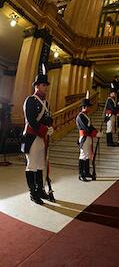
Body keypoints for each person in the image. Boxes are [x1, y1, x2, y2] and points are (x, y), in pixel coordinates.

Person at [21, 66, 54, 204]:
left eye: (46, 85)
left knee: (41, 164)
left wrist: (51, 127)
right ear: (36, 86)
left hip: (42, 138)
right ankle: (33, 193)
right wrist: (44, 130)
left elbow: (48, 118)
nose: (45, 87)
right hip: (32, 136)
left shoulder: (46, 103)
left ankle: (40, 190)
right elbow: (31, 120)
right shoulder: (30, 100)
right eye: (42, 85)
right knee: (32, 165)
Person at [76, 91, 103, 182]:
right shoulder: (80, 116)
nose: (89, 108)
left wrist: (96, 132)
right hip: (84, 137)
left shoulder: (86, 116)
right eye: (88, 106)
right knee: (83, 155)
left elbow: (90, 127)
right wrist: (95, 133)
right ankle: (81, 174)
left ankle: (86, 172)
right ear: (84, 107)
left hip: (88, 137)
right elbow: (86, 128)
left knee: (87, 156)